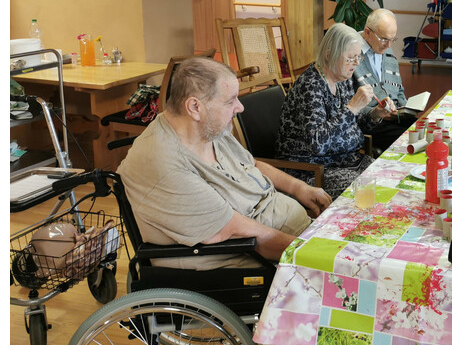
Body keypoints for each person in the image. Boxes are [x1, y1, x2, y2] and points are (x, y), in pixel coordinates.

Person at [117, 57, 332, 269]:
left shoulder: (207, 128)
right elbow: (237, 231)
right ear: (195, 107)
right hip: (248, 260)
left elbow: (250, 165)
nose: (240, 107)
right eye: (230, 101)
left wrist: (300, 188)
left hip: (282, 233)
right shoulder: (165, 164)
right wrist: (314, 255)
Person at [276, 23, 394, 197]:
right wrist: (352, 107)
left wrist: (374, 114)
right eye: (350, 58)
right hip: (314, 170)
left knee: (390, 178)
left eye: (358, 57)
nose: (355, 63)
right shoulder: (310, 86)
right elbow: (318, 144)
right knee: (374, 193)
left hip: (347, 162)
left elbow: (352, 124)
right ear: (329, 55)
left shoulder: (342, 79)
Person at [352, 8, 417, 151]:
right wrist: (377, 113)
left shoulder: (387, 51)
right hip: (372, 123)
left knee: (423, 129)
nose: (389, 45)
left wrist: (405, 109)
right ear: (367, 32)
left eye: (392, 39)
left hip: (394, 118)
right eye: (384, 39)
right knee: (409, 141)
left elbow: (399, 90)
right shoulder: (352, 54)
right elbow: (348, 104)